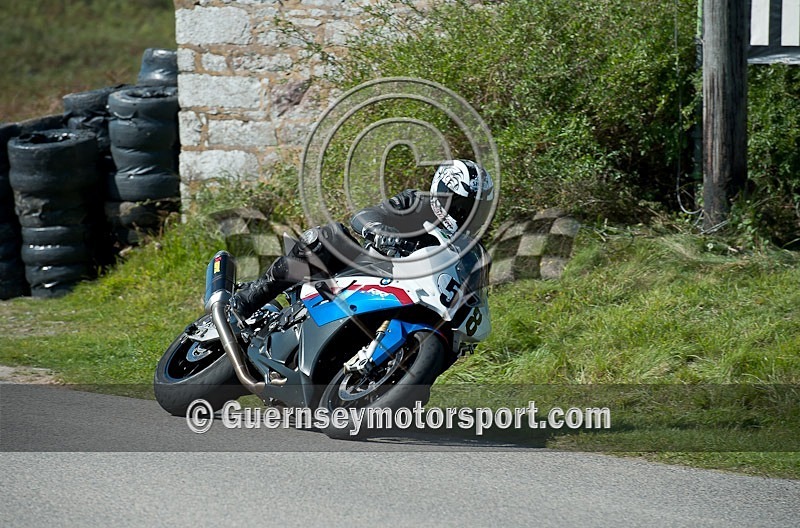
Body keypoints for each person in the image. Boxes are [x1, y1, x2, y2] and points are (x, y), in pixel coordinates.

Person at [230, 159, 495, 319]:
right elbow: (365, 216)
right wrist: (384, 234)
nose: (467, 215)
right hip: (366, 269)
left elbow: (472, 299)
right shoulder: (416, 203)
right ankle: (251, 298)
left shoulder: (474, 252)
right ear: (441, 192)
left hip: (418, 299)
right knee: (326, 237)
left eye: (477, 209)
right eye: (462, 205)